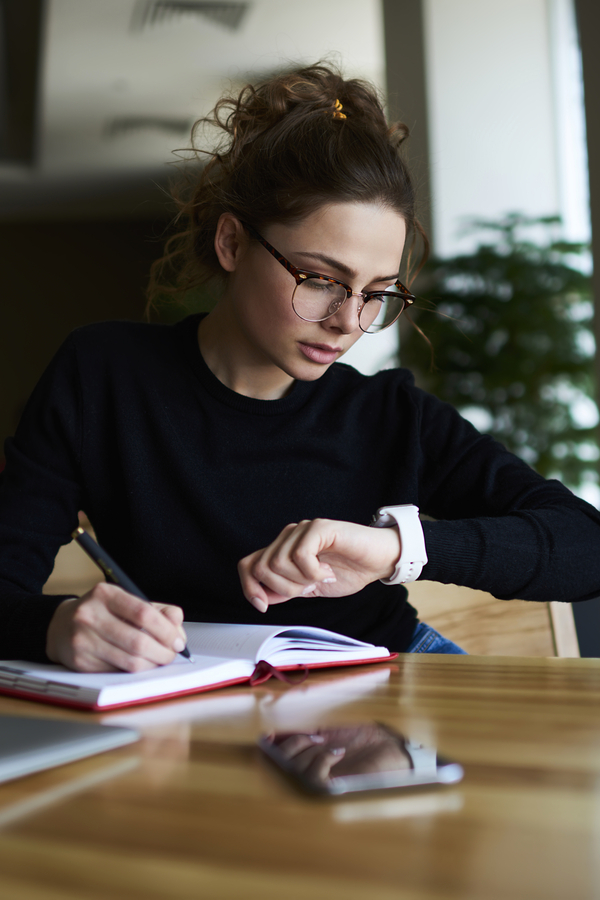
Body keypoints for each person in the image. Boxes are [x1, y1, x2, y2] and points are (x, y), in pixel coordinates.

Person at [1, 64, 600, 673]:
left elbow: (586, 545)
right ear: (232, 243)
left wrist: (395, 549)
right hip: (191, 691)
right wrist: (57, 625)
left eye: (377, 292)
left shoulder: (390, 414)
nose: (349, 321)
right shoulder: (103, 376)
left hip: (388, 681)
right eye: (321, 280)